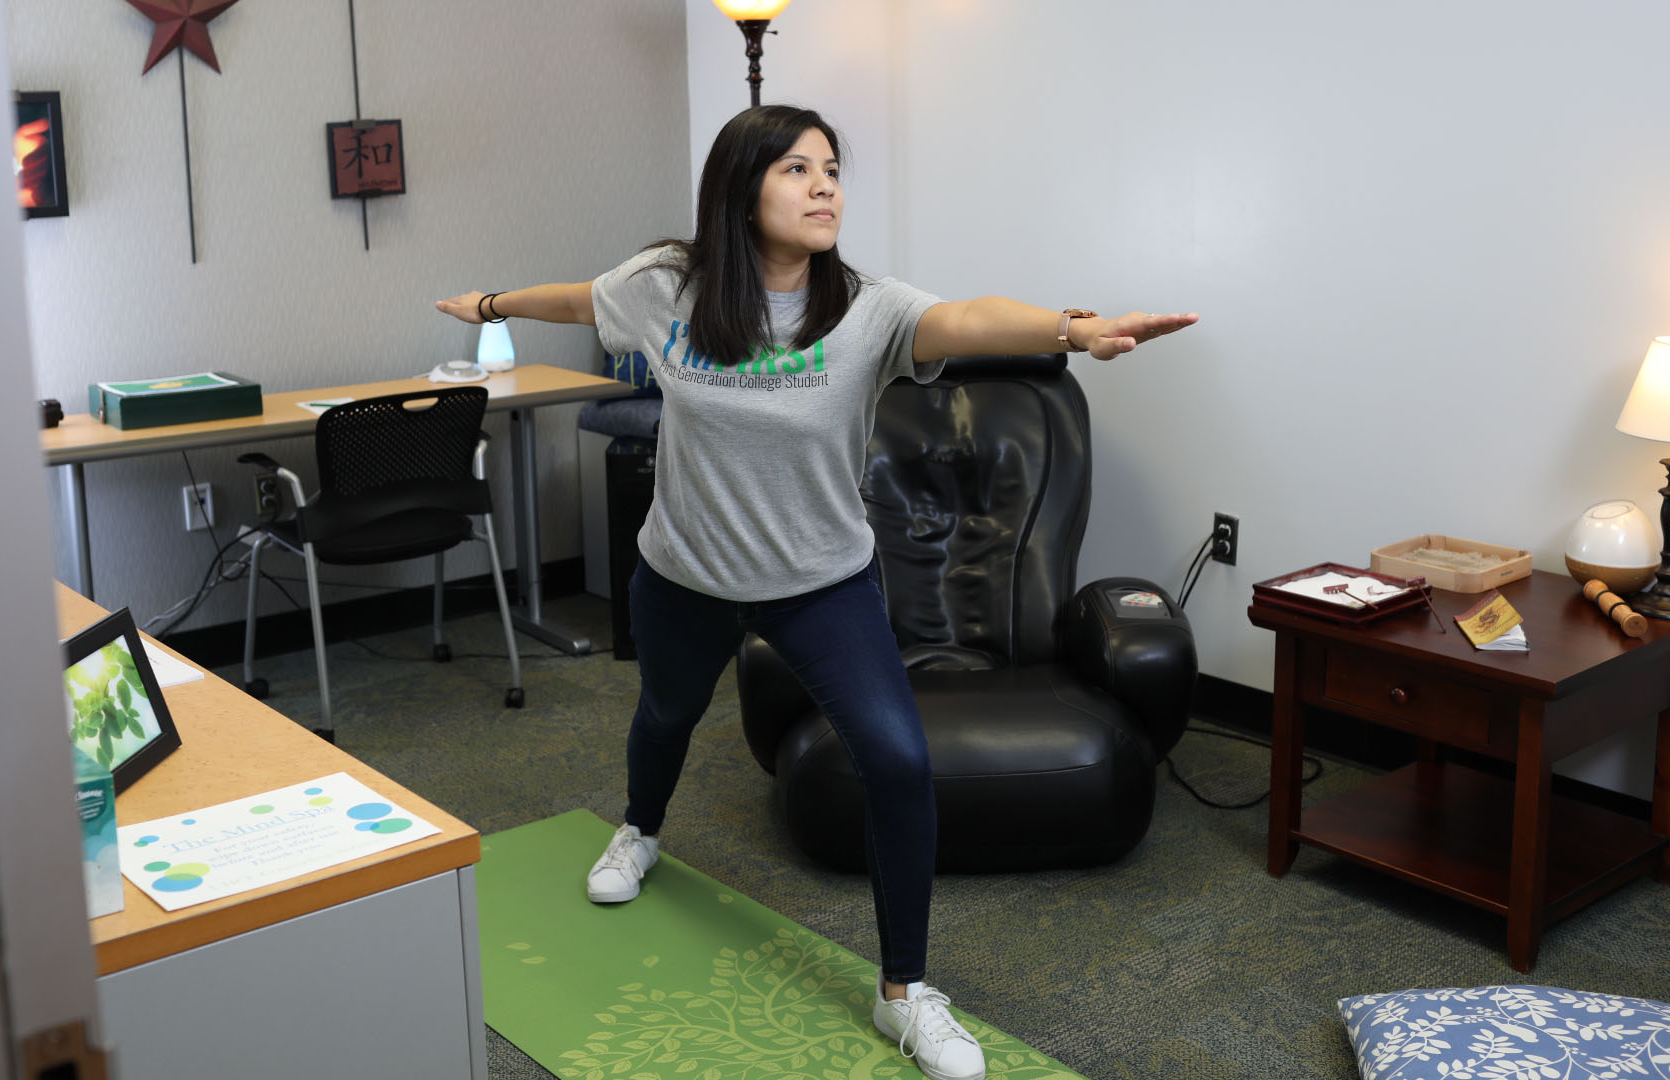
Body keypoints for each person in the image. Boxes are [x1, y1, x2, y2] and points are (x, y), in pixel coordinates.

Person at [437, 104, 1196, 1080]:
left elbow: (961, 318)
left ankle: (904, 995)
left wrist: (1073, 328)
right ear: (742, 188)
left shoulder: (866, 309)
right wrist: (493, 303)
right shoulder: (665, 286)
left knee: (895, 758)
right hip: (686, 572)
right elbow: (581, 300)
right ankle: (641, 830)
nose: (826, 185)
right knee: (664, 715)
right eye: (797, 169)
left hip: (820, 585)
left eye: (832, 168)